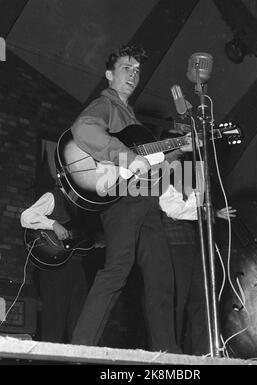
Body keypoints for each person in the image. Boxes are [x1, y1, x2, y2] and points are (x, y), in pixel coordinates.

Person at [69, 44, 182, 353]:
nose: (133, 75)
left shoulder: (132, 118)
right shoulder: (105, 104)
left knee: (161, 276)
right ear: (109, 75)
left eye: (137, 71)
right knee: (118, 267)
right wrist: (127, 158)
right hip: (120, 198)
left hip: (145, 200)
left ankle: (169, 355)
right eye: (125, 69)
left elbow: (150, 162)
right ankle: (81, 348)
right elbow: (83, 129)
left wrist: (180, 149)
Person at [159, 145, 236, 354]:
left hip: (192, 242)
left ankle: (204, 353)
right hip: (174, 242)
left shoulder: (183, 172)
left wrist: (213, 211)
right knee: (178, 299)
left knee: (201, 300)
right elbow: (171, 209)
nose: (180, 154)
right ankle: (170, 352)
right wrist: (208, 212)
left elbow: (194, 205)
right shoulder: (162, 173)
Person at [20, 185, 90, 343]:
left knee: (79, 318)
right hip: (54, 265)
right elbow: (26, 216)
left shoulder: (84, 204)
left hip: (75, 264)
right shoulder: (54, 196)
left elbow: (84, 236)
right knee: (54, 319)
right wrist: (53, 224)